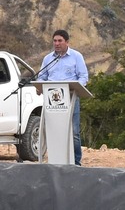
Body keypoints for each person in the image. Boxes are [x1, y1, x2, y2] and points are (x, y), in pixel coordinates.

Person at [37, 29, 90, 164]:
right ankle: (56, 161)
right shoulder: (48, 59)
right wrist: (40, 86)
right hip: (52, 101)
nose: (57, 43)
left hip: (71, 98)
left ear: (67, 42)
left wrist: (77, 87)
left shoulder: (76, 56)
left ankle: (76, 163)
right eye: (55, 41)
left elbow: (83, 76)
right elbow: (42, 76)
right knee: (54, 131)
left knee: (74, 133)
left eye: (60, 41)